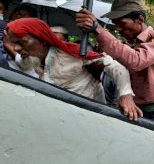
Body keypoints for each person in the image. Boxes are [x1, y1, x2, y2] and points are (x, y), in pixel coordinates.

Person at [6, 18, 141, 120]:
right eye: (14, 43)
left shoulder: (71, 53)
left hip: (90, 116)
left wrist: (126, 95)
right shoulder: (32, 59)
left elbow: (115, 66)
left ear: (42, 40)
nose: (16, 48)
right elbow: (20, 62)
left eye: (21, 43)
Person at [76, 0, 154, 124]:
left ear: (140, 19)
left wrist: (98, 30)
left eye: (122, 23)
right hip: (126, 108)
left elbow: (136, 60)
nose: (118, 29)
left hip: (151, 113)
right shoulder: (127, 45)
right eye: (115, 24)